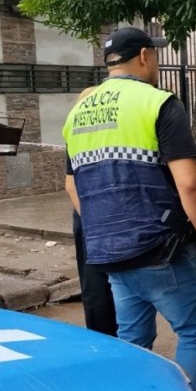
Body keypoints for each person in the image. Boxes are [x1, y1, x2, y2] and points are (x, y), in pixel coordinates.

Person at [62, 27, 196, 391]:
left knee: (133, 339)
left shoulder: (79, 112)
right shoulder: (158, 102)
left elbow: (72, 185)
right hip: (160, 248)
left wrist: (107, 228)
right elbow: (189, 183)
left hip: (109, 252)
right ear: (145, 56)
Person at [65, 137, 118, 336]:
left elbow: (70, 185)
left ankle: (103, 344)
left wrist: (91, 221)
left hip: (88, 214)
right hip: (118, 212)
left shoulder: (78, 118)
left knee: (96, 285)